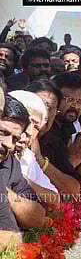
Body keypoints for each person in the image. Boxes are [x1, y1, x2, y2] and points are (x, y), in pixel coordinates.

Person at [25, 80, 81, 197]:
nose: (44, 112)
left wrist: (40, 160)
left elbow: (73, 189)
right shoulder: (8, 136)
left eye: (50, 108)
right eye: (39, 105)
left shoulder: (53, 141)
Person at [0, 95, 46, 232]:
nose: (8, 144)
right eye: (2, 132)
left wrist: (6, 193)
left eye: (15, 138)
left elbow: (38, 217)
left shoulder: (10, 163)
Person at [9, 91, 60, 206]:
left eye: (36, 127)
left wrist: (22, 180)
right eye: (26, 122)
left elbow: (55, 200)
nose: (29, 132)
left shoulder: (28, 156)